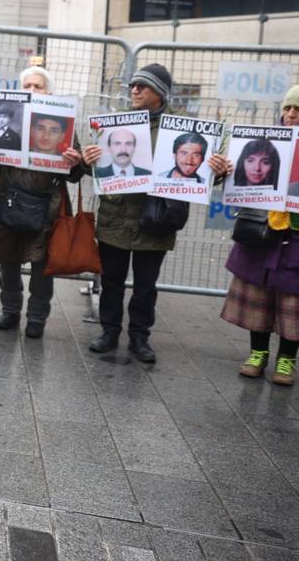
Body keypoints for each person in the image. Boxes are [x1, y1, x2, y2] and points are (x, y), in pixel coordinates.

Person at [81, 63, 229, 362]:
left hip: (157, 218)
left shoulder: (184, 128)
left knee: (146, 285)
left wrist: (218, 171)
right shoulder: (116, 123)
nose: (134, 90)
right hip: (116, 215)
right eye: (133, 85)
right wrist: (89, 160)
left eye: (142, 86)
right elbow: (98, 168)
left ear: (159, 93)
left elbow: (199, 173)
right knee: (111, 280)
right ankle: (109, 331)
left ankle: (139, 337)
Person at [221, 83, 299, 387]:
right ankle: (258, 354)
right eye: (287, 108)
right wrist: (226, 169)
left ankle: (287, 360)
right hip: (264, 232)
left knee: (295, 300)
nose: (290, 114)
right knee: (259, 295)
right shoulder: (266, 141)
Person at [0, 66, 84, 337]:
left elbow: (75, 175)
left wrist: (76, 163)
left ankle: (37, 317)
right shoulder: (10, 123)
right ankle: (10, 310)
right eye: (26, 85)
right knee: (9, 259)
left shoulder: (64, 122)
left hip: (48, 205)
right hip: (10, 200)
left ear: (48, 91)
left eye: (37, 86)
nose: (31, 91)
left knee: (43, 266)